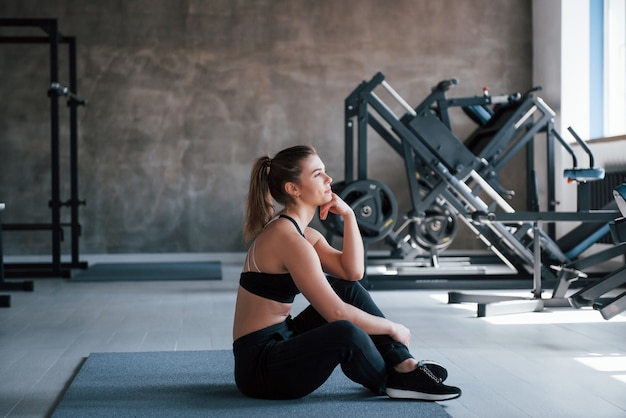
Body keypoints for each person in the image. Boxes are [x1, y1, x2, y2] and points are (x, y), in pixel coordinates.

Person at [232, 144, 462, 401]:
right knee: (344, 331)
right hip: (261, 369)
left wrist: (350, 215)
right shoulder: (289, 240)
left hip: (281, 339)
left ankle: (404, 365)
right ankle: (393, 379)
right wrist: (393, 327)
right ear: (293, 189)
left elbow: (352, 272)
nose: (329, 179)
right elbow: (336, 313)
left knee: (346, 290)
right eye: (318, 174)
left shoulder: (303, 234)